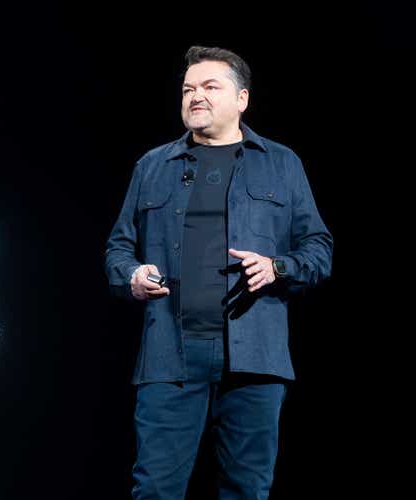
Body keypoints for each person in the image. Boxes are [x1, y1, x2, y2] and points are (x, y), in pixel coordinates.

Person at [104, 45, 333, 499]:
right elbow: (118, 248)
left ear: (242, 98)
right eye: (188, 89)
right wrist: (131, 275)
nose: (196, 96)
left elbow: (318, 248)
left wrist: (277, 266)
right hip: (170, 356)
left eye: (210, 86)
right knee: (155, 490)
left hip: (254, 358)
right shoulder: (152, 166)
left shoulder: (281, 163)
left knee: (247, 490)